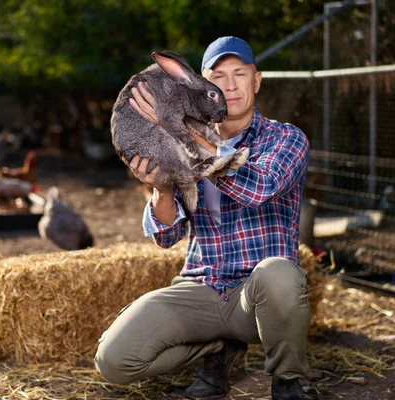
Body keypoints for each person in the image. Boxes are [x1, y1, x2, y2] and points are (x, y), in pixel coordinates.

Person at [95, 36, 310, 400]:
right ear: (197, 84)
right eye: (218, 76)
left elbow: (260, 188)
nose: (229, 85)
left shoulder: (285, 138)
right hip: (201, 286)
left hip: (255, 297)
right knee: (114, 359)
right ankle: (216, 349)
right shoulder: (176, 141)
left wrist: (196, 142)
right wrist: (160, 188)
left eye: (239, 74)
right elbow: (167, 236)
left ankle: (287, 382)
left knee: (281, 275)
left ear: (256, 81)